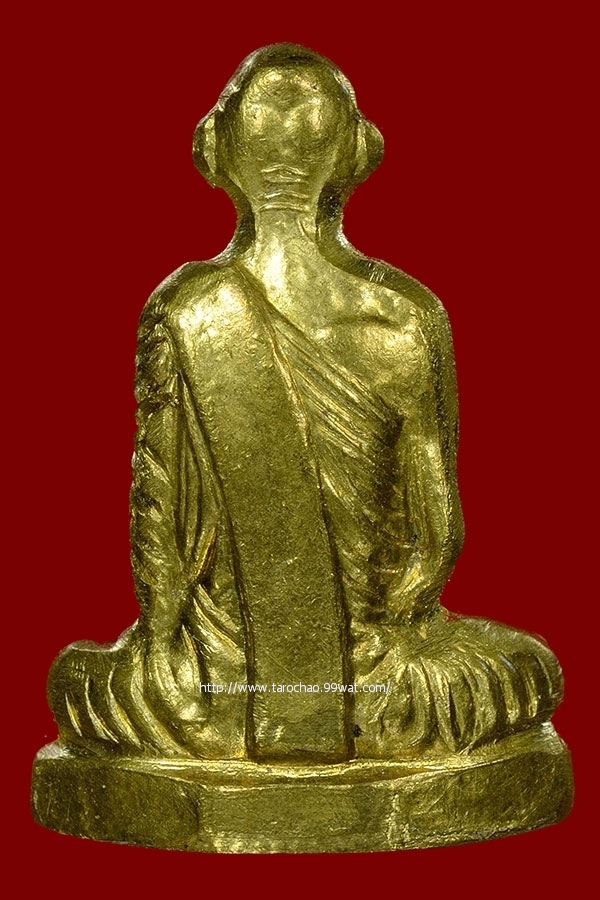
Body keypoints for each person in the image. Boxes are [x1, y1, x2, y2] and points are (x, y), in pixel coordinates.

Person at [48, 44, 562, 762]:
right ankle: (352, 711)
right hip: (375, 675)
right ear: (355, 151)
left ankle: (233, 715)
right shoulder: (402, 316)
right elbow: (437, 533)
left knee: (82, 683)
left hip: (218, 680)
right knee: (520, 672)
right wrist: (397, 630)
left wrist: (161, 645)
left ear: (215, 149)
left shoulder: (186, 307)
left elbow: (159, 517)